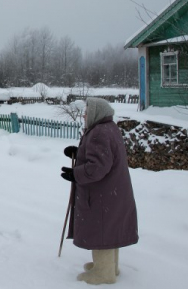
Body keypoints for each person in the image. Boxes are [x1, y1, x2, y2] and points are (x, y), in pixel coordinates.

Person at [60, 97, 138, 285]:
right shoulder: (109, 127)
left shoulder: (98, 132)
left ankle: (103, 273)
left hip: (102, 195)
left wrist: (75, 174)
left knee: (101, 230)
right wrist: (79, 154)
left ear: (96, 113)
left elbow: (97, 167)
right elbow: (104, 155)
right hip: (113, 192)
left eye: (87, 112)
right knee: (110, 230)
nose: (84, 115)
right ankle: (110, 266)